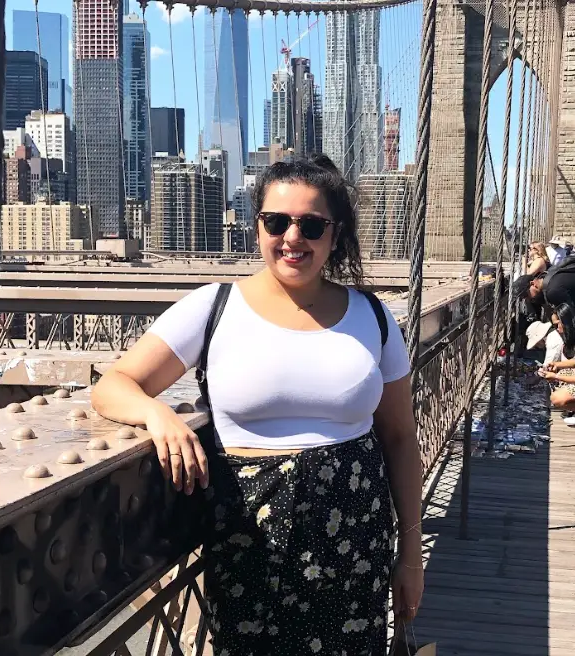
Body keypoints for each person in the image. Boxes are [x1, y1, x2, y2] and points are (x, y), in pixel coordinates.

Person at [91, 155, 424, 654]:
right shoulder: (214, 307)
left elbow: (400, 439)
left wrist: (411, 555)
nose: (293, 237)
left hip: (355, 545)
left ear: (335, 234)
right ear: (257, 227)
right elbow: (113, 384)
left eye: (312, 225)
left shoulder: (373, 318)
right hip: (250, 543)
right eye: (276, 222)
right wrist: (156, 414)